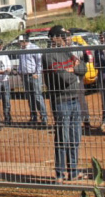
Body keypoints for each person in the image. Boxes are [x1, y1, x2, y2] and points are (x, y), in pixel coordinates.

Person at [43, 25, 87, 183]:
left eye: (66, 36)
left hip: (74, 99)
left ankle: (73, 171)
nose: (65, 39)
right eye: (62, 36)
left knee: (75, 137)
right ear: (54, 38)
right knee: (63, 138)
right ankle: (60, 173)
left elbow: (83, 68)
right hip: (61, 101)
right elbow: (63, 78)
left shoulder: (67, 52)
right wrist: (73, 71)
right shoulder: (48, 55)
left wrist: (72, 70)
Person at [18, 33, 47, 126]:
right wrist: (21, 73)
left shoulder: (34, 48)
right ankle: (33, 116)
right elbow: (21, 62)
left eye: (21, 41)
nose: (20, 43)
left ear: (25, 41)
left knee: (37, 96)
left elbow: (39, 62)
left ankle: (44, 117)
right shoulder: (21, 50)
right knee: (30, 97)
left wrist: (37, 73)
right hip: (26, 75)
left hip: (34, 75)